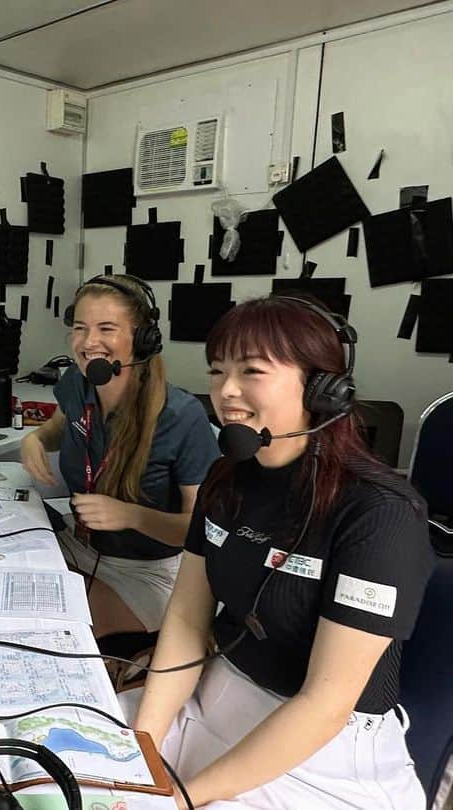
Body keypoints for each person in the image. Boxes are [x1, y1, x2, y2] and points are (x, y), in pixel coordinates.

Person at [131, 295, 435, 808]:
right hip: (218, 695)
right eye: (218, 370)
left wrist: (181, 798)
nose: (226, 391)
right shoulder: (225, 480)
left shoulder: (381, 512)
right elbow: (185, 620)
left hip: (323, 751)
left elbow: (325, 704)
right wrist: (141, 746)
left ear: (323, 388)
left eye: (252, 371)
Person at [21, 275, 220, 638]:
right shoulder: (79, 383)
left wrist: (132, 515)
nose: (89, 341)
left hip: (148, 572)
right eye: (80, 328)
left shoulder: (181, 416)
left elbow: (201, 531)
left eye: (106, 328)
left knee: (51, 628)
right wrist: (36, 438)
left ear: (143, 340)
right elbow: (61, 425)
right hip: (79, 544)